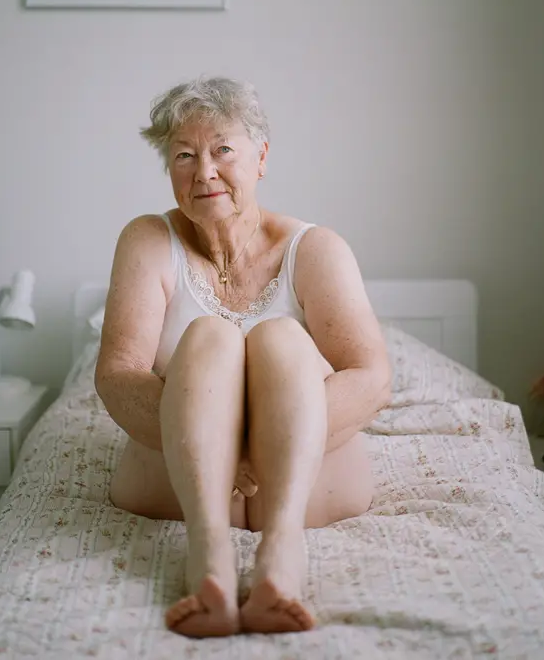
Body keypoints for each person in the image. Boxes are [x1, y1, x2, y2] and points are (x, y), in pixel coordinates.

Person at [95, 76, 391, 638]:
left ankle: (283, 553)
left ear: (261, 157)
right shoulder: (147, 240)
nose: (203, 171)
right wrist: (214, 452)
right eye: (184, 155)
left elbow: (371, 378)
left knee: (280, 339)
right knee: (209, 337)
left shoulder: (316, 249)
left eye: (222, 150)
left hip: (310, 489)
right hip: (178, 488)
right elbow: (117, 376)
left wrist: (254, 451)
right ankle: (207, 557)